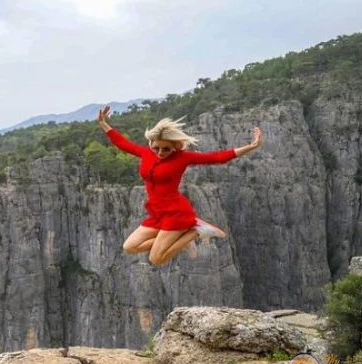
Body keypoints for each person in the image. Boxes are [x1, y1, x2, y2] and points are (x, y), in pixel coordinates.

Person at [97, 105, 263, 266]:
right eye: (156, 148)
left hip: (175, 213)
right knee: (129, 247)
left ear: (175, 147)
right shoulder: (145, 153)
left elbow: (217, 157)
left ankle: (195, 231)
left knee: (156, 259)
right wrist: (104, 124)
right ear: (151, 144)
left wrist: (250, 147)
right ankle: (182, 238)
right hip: (157, 213)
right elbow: (122, 143)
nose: (160, 152)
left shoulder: (183, 157)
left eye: (166, 149)